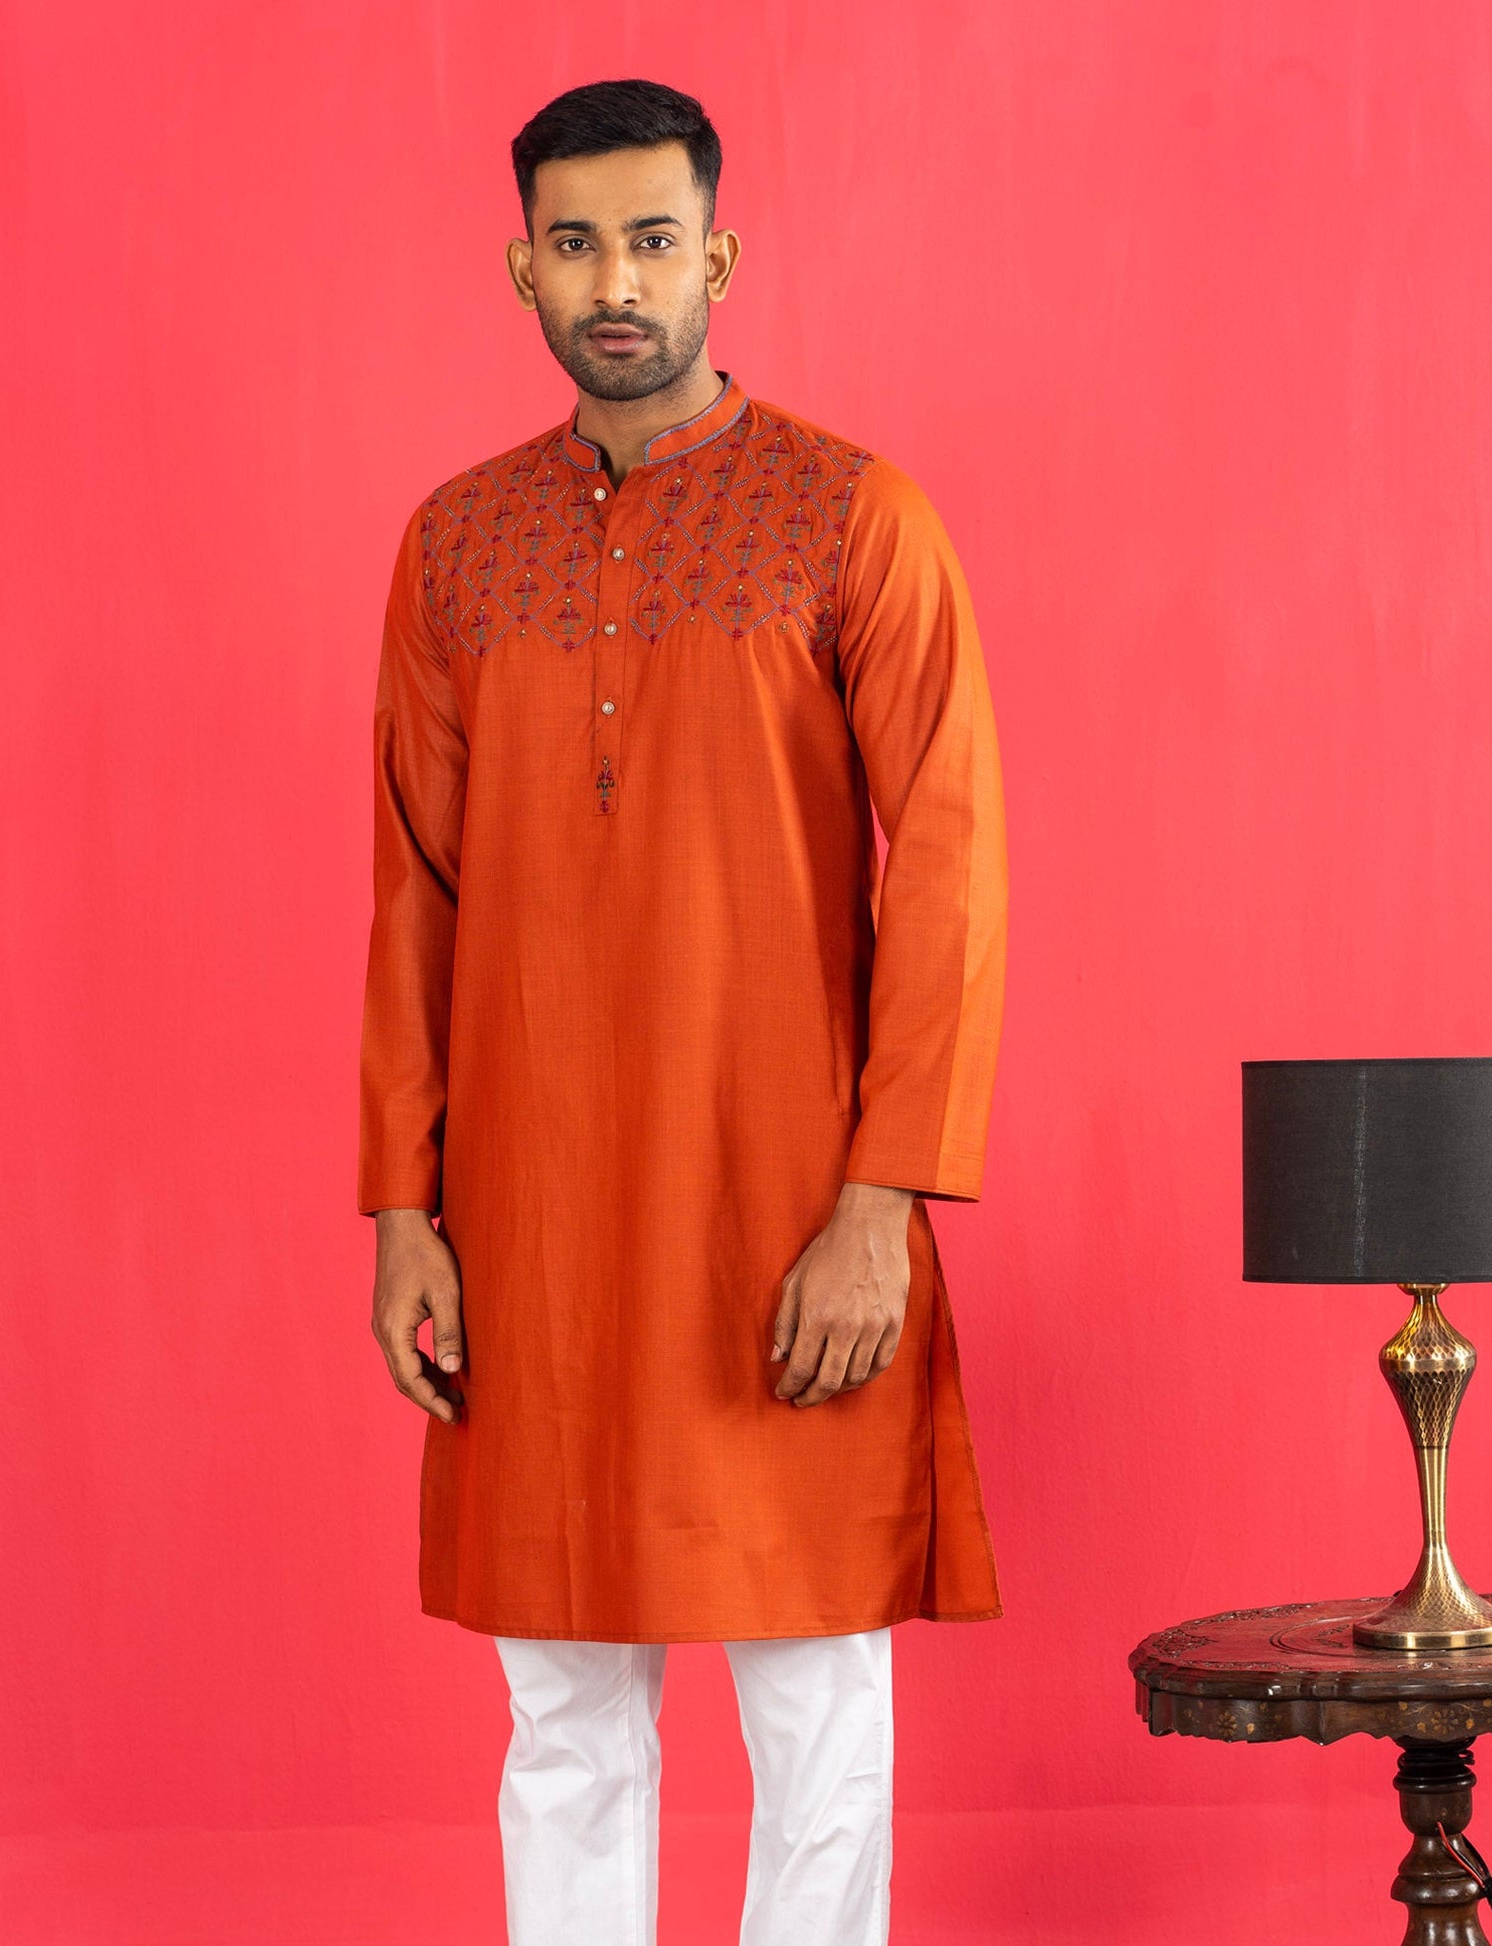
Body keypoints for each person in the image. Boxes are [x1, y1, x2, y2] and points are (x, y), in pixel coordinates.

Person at [359, 76, 1009, 1946]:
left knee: (815, 1697)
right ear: (523, 271)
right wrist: (404, 1206)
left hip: (785, 1217)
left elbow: (949, 874)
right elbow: (414, 889)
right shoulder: (456, 543)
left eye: (653, 240)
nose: (617, 282)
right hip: (537, 1225)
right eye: (575, 245)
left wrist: (879, 1208)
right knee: (561, 1708)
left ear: (719, 256)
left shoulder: (853, 515)